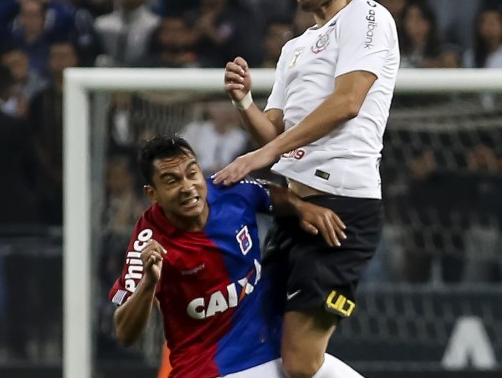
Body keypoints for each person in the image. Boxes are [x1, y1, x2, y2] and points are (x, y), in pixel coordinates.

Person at [215, 0, 399, 378]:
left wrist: (260, 156)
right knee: (265, 347)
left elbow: (348, 102)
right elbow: (272, 133)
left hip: (343, 207)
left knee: (300, 362)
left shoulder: (367, 17)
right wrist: (244, 104)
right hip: (296, 208)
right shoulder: (294, 48)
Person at [110, 135, 347, 378]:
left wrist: (301, 207)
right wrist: (149, 283)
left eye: (192, 173)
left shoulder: (229, 190)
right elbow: (125, 333)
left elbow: (268, 194)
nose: (188, 187)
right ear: (153, 193)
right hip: (212, 369)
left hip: (276, 350)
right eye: (171, 181)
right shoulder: (148, 241)